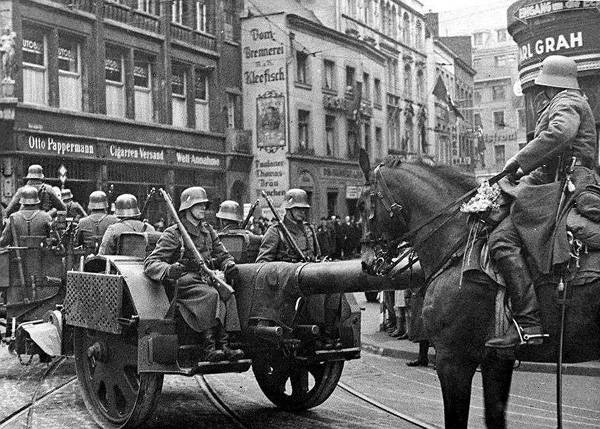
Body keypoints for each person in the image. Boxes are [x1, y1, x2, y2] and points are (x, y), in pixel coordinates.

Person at [487, 55, 597, 349]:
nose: (539, 92)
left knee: (501, 240)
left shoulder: (565, 101)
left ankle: (528, 322)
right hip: (557, 181)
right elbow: (549, 159)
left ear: (549, 85)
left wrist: (517, 160)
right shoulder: (567, 100)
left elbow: (560, 134)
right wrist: (516, 179)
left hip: (567, 185)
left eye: (541, 87)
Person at [144, 186, 244, 362]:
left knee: (228, 294)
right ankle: (209, 347)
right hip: (184, 281)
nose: (203, 208)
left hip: (206, 277)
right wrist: (169, 270)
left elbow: (222, 254)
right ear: (187, 208)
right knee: (212, 295)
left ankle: (226, 345)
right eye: (199, 205)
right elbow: (151, 263)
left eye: (205, 205)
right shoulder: (174, 233)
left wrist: (228, 264)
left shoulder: (208, 230)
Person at [256, 189, 340, 347]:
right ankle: (317, 334)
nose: (302, 212)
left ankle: (328, 332)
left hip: (309, 272)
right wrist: (285, 268)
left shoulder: (309, 230)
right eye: (298, 209)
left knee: (334, 288)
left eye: (304, 209)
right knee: (315, 293)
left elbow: (317, 255)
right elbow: (262, 264)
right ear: (288, 210)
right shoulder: (276, 232)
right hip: (287, 282)